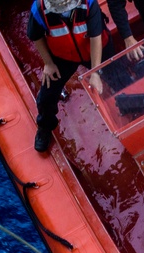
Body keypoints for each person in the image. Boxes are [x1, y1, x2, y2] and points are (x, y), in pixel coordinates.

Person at [28, 0, 112, 152]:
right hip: (63, 57)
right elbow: (36, 36)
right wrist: (48, 63)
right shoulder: (39, 9)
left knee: (121, 79)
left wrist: (95, 71)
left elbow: (95, 38)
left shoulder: (89, 4)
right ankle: (45, 127)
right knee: (46, 96)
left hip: (94, 51)